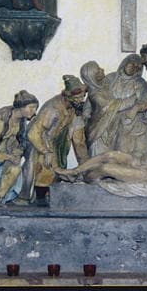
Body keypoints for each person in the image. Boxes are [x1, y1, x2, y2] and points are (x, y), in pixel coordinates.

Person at [23, 75, 88, 206]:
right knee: (45, 168)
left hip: (58, 144)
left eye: (82, 97)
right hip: (40, 142)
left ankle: (49, 197)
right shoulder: (52, 109)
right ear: (67, 96)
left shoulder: (75, 110)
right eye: (77, 98)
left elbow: (79, 141)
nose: (81, 101)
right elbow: (33, 133)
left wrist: (85, 167)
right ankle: (38, 198)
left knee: (58, 170)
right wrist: (45, 151)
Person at [82, 56, 147, 157]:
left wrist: (140, 105)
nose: (134, 68)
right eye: (132, 64)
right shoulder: (110, 78)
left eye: (138, 67)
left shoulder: (140, 83)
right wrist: (86, 113)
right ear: (125, 63)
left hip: (127, 126)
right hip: (105, 125)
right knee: (102, 156)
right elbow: (93, 97)